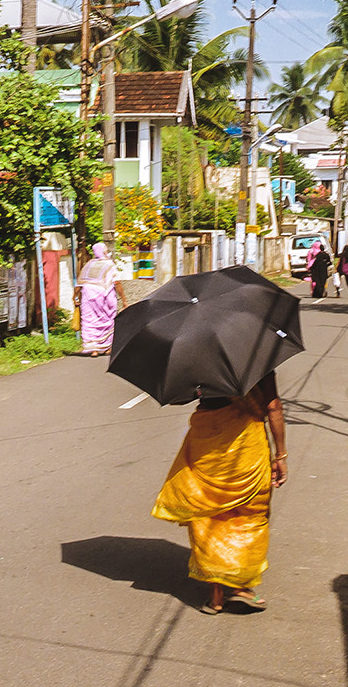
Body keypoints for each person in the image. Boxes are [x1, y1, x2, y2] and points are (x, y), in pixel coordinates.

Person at [153, 373, 288, 613]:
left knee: (209, 514)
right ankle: (239, 585)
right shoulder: (259, 357)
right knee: (249, 514)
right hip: (247, 446)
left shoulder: (196, 359)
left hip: (207, 442)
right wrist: (281, 455)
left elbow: (179, 397)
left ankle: (216, 596)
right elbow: (273, 407)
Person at [76, 241, 121, 354]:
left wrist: (75, 297)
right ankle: (107, 347)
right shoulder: (109, 264)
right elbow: (117, 282)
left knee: (89, 320)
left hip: (88, 296)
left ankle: (93, 349)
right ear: (104, 251)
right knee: (108, 320)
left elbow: (79, 283)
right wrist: (124, 299)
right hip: (104, 296)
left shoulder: (89, 264)